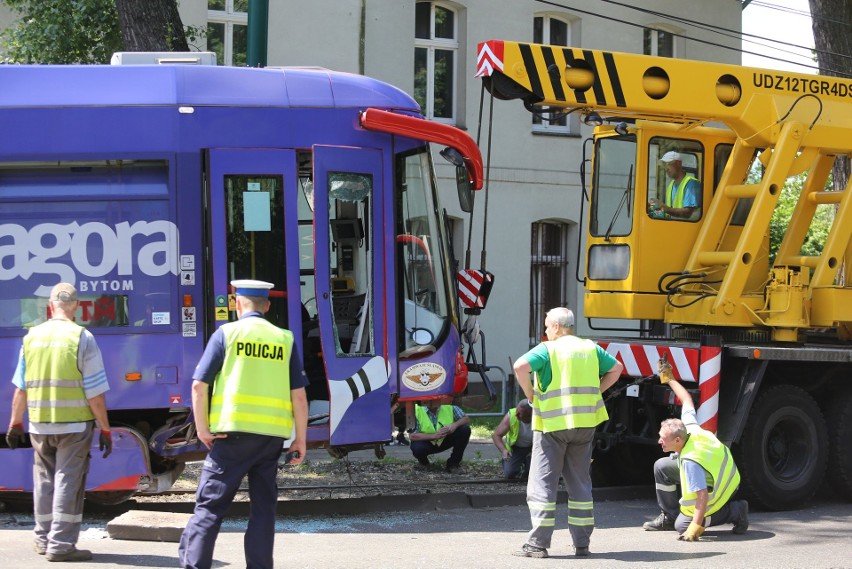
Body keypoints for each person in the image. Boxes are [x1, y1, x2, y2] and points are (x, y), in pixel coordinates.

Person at [178, 280, 309, 569]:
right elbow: (299, 397)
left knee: (210, 508)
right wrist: (301, 439)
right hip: (270, 439)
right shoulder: (283, 338)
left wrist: (202, 429)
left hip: (231, 436)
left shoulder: (227, 333)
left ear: (237, 304)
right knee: (263, 510)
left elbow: (199, 386)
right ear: (268, 306)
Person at [6, 282, 112, 563]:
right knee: (68, 481)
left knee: (43, 480)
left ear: (49, 306)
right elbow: (95, 393)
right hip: (74, 426)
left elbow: (20, 389)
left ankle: (42, 539)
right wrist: (105, 427)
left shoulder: (32, 338)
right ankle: (61, 545)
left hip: (39, 424)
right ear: (76, 306)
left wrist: (15, 424)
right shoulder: (82, 337)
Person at [512, 307, 623, 559]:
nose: (545, 331)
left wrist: (530, 395)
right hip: (585, 425)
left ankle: (537, 544)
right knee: (580, 483)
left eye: (547, 326)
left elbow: (520, 367)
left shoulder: (548, 349)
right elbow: (616, 368)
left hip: (553, 425)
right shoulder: (590, 348)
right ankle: (581, 543)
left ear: (557, 327)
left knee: (543, 484)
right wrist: (597, 391)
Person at [642, 360, 748, 540]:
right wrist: (669, 379)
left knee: (682, 526)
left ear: (677, 440)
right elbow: (687, 400)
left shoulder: (691, 461)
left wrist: (695, 528)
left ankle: (736, 511)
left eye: (663, 438)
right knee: (661, 466)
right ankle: (669, 515)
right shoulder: (688, 427)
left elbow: (702, 495)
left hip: (723, 487)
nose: (659, 441)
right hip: (722, 473)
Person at [409, 398, 471, 472]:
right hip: (427, 442)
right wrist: (434, 436)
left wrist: (454, 425)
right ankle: (424, 463)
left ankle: (453, 464)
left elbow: (466, 418)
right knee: (417, 448)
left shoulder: (449, 407)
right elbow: (412, 436)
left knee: (464, 430)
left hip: (445, 440)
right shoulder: (416, 410)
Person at [649, 151, 701, 220]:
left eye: (669, 164)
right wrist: (653, 210)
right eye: (665, 165)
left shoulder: (691, 183)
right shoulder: (670, 186)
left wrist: (665, 208)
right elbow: (670, 215)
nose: (666, 168)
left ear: (679, 163)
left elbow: (687, 213)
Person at [492, 399, 533, 480]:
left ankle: (527, 463)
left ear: (531, 415)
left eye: (520, 414)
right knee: (510, 473)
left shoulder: (540, 418)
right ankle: (518, 463)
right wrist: (504, 450)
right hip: (515, 449)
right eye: (517, 411)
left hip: (533, 448)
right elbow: (496, 435)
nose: (516, 415)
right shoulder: (511, 415)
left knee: (532, 475)